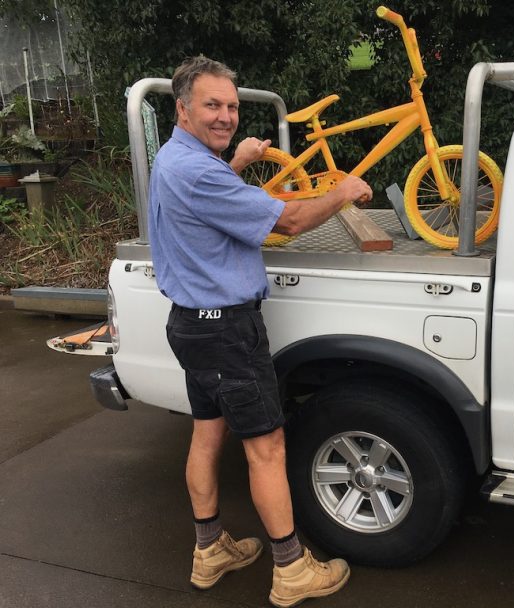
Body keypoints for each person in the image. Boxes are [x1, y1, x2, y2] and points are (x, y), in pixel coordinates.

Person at [148, 55, 372, 607]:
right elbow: (289, 221)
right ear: (182, 108)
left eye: (231, 106)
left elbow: (208, 203)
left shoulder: (177, 158)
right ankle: (292, 569)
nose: (226, 116)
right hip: (225, 330)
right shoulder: (199, 171)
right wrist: (344, 191)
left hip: (191, 325)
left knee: (207, 432)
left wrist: (236, 162)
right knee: (267, 448)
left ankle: (209, 550)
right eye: (212, 105)